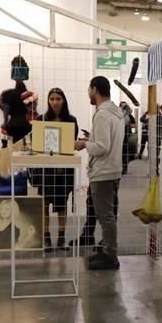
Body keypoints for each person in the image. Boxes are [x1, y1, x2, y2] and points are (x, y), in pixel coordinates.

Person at [75, 76, 124, 271]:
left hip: (103, 172)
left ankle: (110, 256)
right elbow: (107, 142)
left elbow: (102, 147)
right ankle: (107, 250)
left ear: (94, 89)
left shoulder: (102, 114)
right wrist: (92, 138)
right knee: (107, 215)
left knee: (105, 216)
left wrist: (84, 144)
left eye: (89, 89)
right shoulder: (115, 113)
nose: (88, 93)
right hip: (112, 170)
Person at [35, 88, 78, 250]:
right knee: (45, 204)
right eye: (51, 99)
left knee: (62, 205)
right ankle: (46, 237)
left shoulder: (71, 120)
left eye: (58, 98)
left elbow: (71, 143)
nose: (54, 102)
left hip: (64, 170)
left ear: (63, 100)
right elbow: (38, 143)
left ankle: (61, 237)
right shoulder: (41, 119)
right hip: (46, 170)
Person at [0, 56, 35, 145]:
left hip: (20, 124)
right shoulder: (7, 94)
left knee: (11, 140)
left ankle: (5, 147)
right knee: (6, 137)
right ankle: (4, 147)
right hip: (20, 124)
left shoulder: (28, 94)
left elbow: (31, 111)